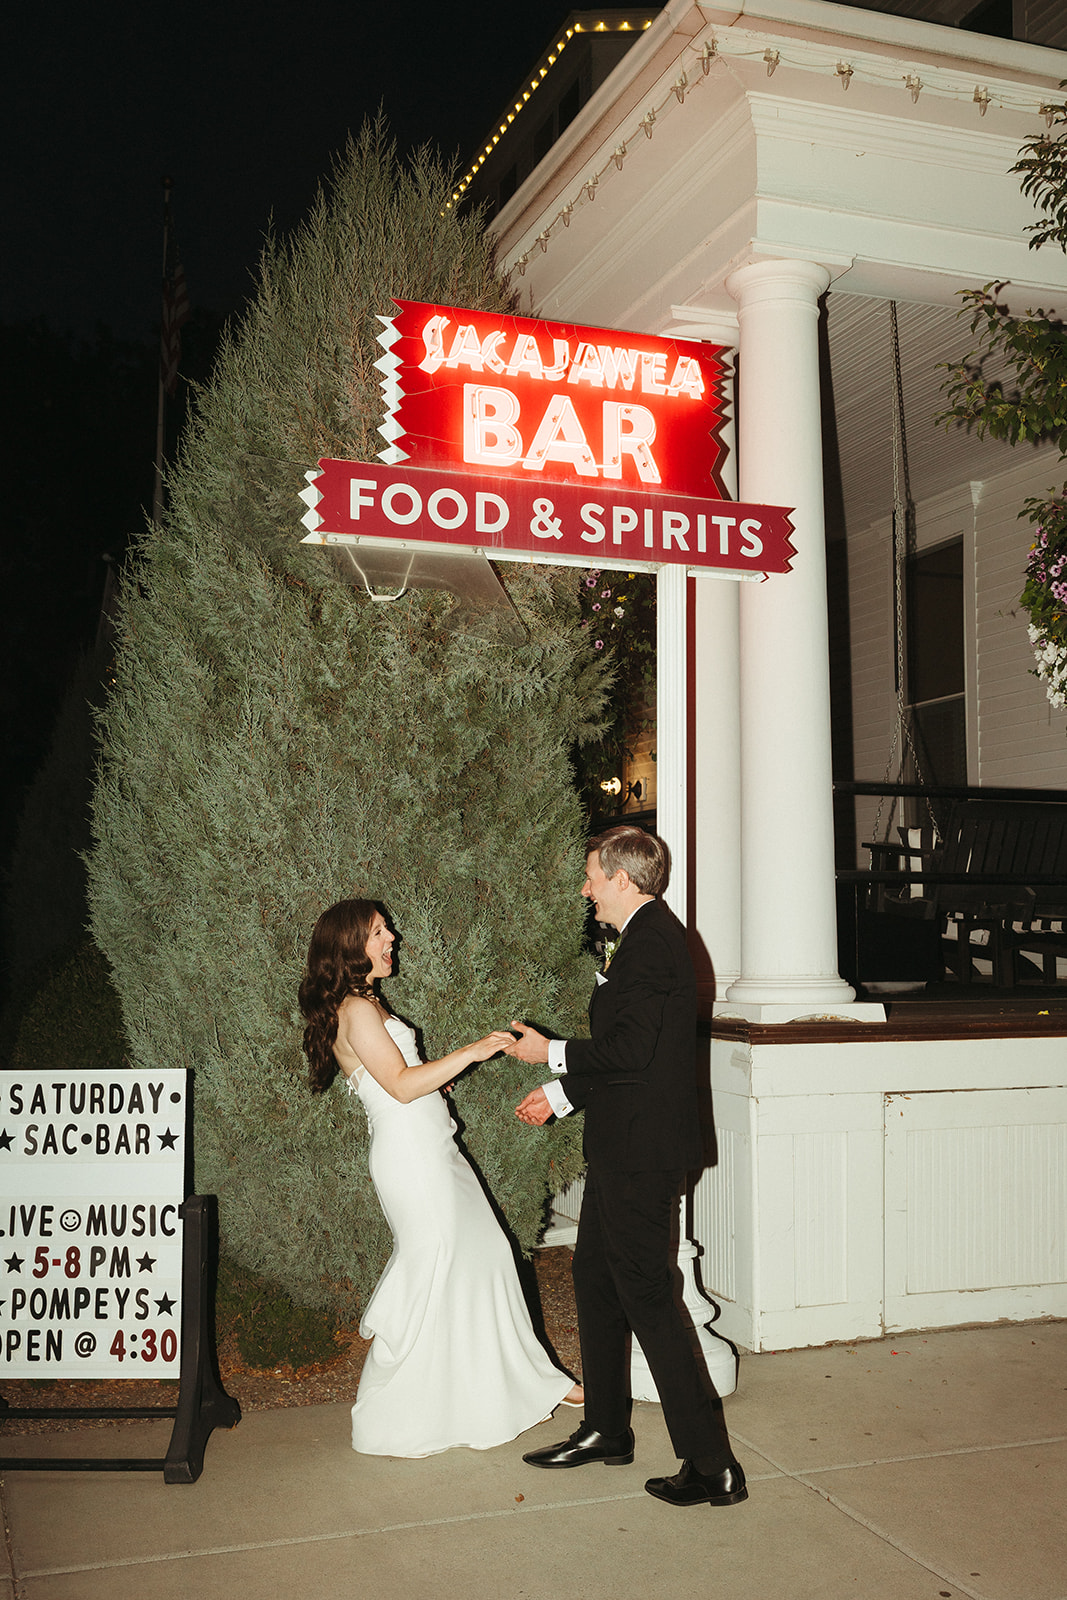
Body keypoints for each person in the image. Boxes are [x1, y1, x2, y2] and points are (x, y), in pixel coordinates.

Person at [505, 826, 747, 1509]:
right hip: (625, 1145)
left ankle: (712, 1465)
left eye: (590, 876)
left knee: (648, 1298)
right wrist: (560, 1095)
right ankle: (607, 1428)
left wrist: (549, 1055)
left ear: (622, 879)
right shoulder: (646, 940)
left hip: (642, 1156)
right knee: (594, 1278)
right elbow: (632, 1054)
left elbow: (631, 1051)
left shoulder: (654, 945)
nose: (584, 888)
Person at [299, 898, 580, 1458]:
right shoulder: (355, 1008)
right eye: (380, 933)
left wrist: (437, 1081)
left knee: (487, 1258)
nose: (392, 938)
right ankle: (398, 1411)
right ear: (351, 946)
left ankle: (511, 1384)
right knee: (437, 1269)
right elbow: (400, 1086)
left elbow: (401, 1082)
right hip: (414, 1161)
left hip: (430, 1150)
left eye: (387, 930)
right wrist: (472, 1052)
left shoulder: (364, 1003)